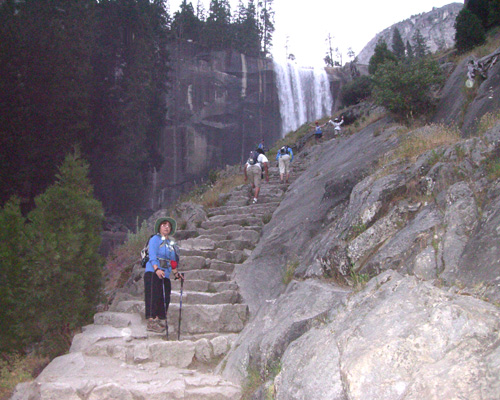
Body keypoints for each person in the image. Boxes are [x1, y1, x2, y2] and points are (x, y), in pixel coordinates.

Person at [144, 217, 182, 333]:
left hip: (165, 274)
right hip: (153, 272)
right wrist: (156, 269)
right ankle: (151, 321)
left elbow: (173, 260)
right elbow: (152, 255)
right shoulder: (155, 239)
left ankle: (160, 319)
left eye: (168, 226)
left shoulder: (170, 244)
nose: (166, 227)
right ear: (159, 227)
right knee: (153, 296)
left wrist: (176, 274)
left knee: (165, 297)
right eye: (164, 225)